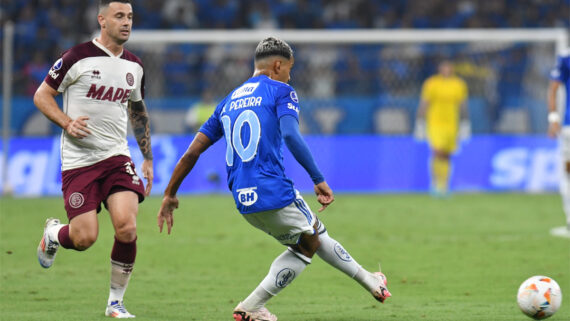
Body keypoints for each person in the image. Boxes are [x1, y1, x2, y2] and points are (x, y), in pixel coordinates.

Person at [157, 37, 391, 321]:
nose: (289, 76)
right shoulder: (282, 91)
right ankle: (252, 305)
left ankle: (372, 282)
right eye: (289, 69)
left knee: (313, 234)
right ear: (278, 65)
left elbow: (191, 153)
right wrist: (317, 178)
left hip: (242, 198)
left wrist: (170, 193)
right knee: (309, 243)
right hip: (272, 188)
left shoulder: (227, 102)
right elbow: (291, 134)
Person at [33, 0, 153, 318]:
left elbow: (138, 112)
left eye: (129, 16)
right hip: (79, 161)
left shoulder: (135, 66)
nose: (126, 22)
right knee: (84, 237)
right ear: (102, 20)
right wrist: (66, 122)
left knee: (127, 227)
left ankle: (115, 302)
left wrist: (147, 157)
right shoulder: (76, 58)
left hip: (116, 157)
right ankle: (53, 234)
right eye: (119, 16)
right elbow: (42, 95)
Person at [415, 60, 470, 196]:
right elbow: (424, 103)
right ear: (439, 68)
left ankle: (444, 185)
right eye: (444, 67)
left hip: (452, 124)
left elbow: (462, 105)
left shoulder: (459, 84)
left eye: (449, 67)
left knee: (447, 155)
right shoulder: (431, 83)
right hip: (435, 123)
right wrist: (420, 122)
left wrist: (465, 123)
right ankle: (435, 183)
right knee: (437, 151)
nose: (446, 69)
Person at [547, 48, 570, 238]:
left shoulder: (565, 56)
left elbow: (553, 88)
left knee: (568, 174)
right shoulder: (565, 57)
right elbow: (554, 89)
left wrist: (553, 118)